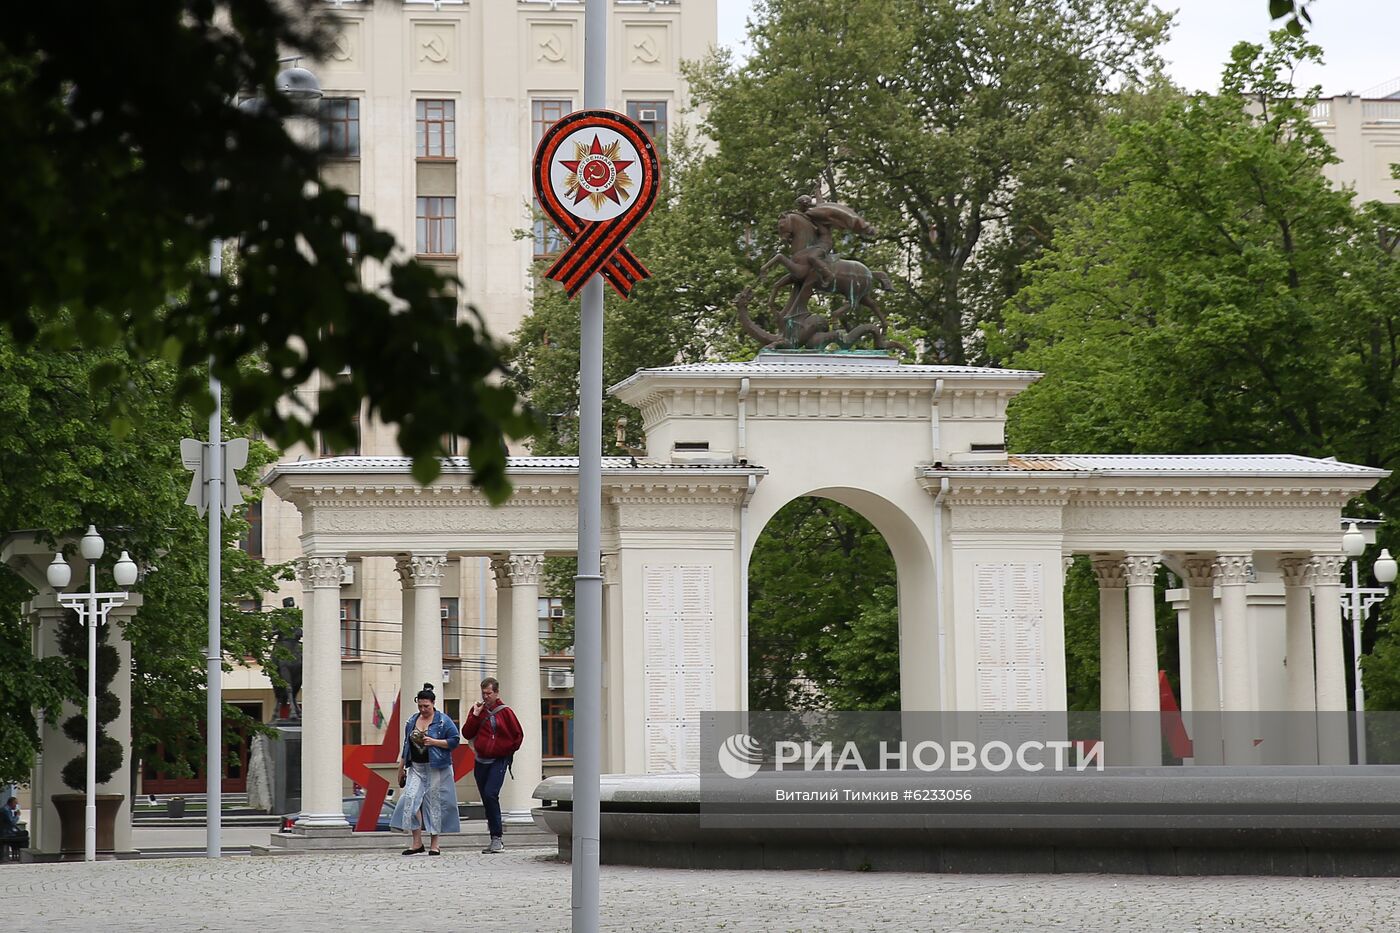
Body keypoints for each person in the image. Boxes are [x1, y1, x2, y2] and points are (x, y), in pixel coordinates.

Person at [391, 683, 461, 855]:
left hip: (436, 768)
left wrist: (434, 742)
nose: (423, 709)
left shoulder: (443, 720)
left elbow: (455, 740)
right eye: (420, 705)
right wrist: (401, 767)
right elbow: (406, 745)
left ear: (433, 703)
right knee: (409, 800)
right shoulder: (412, 720)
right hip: (416, 767)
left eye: (426, 706)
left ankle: (435, 844)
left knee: (434, 805)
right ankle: (417, 842)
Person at [461, 676, 523, 854]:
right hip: (481, 761)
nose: (486, 696)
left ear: (496, 693)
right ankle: (493, 838)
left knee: (491, 794)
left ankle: (497, 838)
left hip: (498, 760)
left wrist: (505, 750)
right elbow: (467, 732)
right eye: (484, 693)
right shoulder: (478, 711)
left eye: (489, 693)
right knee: (486, 799)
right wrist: (474, 716)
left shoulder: (506, 712)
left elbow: (518, 735)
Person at [1, 797, 25, 863]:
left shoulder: (6, 809)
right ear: (12, 803)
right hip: (5, 833)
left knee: (23, 833)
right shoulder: (6, 810)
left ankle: (17, 855)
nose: (16, 805)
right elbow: (12, 823)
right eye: (16, 803)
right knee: (24, 838)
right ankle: (21, 855)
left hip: (5, 831)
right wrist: (17, 816)